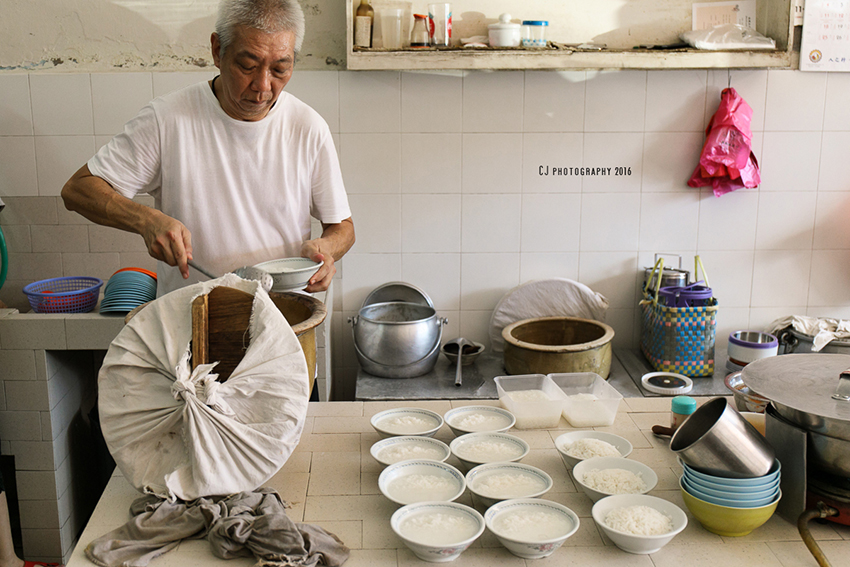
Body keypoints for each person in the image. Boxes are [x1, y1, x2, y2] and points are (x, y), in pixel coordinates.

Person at [61, 0, 354, 297]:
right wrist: (146, 220)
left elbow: (342, 225)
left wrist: (326, 249)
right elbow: (78, 190)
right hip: (192, 320)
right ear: (217, 51)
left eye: (280, 69)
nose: (263, 86)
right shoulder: (168, 119)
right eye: (248, 66)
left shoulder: (307, 127)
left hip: (285, 318)